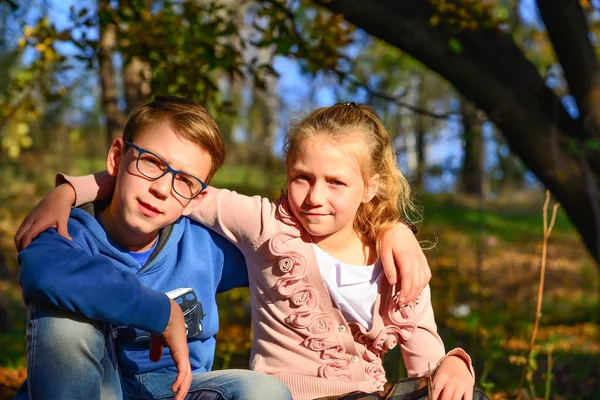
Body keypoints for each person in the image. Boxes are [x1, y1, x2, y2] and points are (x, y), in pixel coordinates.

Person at [21, 102, 481, 400]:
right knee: (63, 323)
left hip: (351, 395)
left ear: (370, 188)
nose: (314, 196)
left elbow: (426, 355)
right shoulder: (265, 227)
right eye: (302, 177)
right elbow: (176, 187)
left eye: (336, 182)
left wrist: (392, 228)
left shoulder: (396, 261)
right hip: (112, 389)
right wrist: (70, 191)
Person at [14, 95, 294, 400]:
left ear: (197, 199)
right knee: (64, 321)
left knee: (264, 391)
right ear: (116, 157)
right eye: (152, 162)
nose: (161, 189)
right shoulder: (66, 230)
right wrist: (162, 312)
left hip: (177, 391)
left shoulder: (206, 247)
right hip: (97, 389)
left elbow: (288, 247)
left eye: (185, 181)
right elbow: (44, 275)